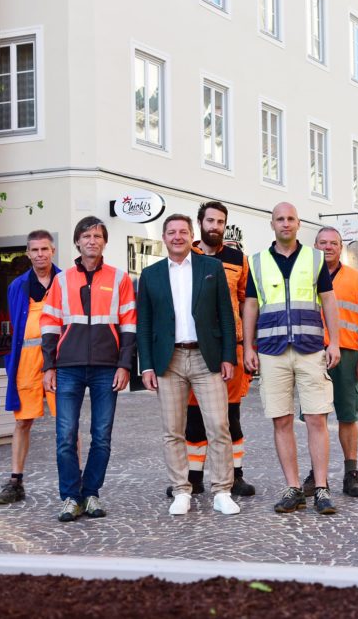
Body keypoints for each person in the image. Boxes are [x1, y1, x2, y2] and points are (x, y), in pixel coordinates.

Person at [137, 214, 240, 516]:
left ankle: (222, 490)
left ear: (191, 235)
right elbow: (144, 323)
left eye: (183, 231)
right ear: (164, 237)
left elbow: (225, 314)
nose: (178, 236)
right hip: (168, 360)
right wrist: (146, 365)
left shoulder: (211, 268)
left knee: (219, 426)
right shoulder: (151, 274)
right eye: (172, 232)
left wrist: (228, 357)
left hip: (206, 358)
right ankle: (181, 490)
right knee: (173, 430)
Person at [242, 202, 341, 515]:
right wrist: (248, 348)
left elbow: (328, 301)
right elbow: (250, 306)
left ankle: (321, 488)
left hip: (311, 349)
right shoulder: (256, 262)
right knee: (281, 420)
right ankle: (293, 488)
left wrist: (334, 342)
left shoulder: (314, 259)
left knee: (316, 418)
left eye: (291, 219)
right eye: (280, 219)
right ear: (272, 224)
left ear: (299, 224)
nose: (285, 224)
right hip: (272, 352)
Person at [41, 216, 136, 522]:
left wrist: (125, 365)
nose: (92, 240)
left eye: (97, 236)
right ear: (77, 242)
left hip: (107, 367)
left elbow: (129, 326)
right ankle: (70, 496)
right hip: (67, 366)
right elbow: (50, 323)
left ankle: (91, 493)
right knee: (65, 435)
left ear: (104, 242)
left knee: (102, 436)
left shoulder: (120, 279)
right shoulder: (61, 280)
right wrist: (49, 366)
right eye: (86, 236)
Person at [166, 201, 255, 499]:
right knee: (193, 419)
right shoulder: (185, 257)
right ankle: (193, 478)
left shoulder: (238, 260)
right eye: (210, 221)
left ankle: (236, 475)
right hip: (194, 347)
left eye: (220, 222)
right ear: (200, 223)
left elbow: (247, 302)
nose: (215, 226)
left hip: (232, 347)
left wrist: (248, 345)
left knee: (230, 417)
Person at [299, 226, 358, 498]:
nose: (328, 247)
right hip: (312, 352)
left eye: (333, 243)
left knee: (348, 415)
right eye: (322, 242)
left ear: (340, 247)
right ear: (315, 246)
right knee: (314, 417)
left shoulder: (355, 278)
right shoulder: (304, 276)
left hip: (347, 354)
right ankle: (315, 475)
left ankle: (351, 473)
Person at [0, 230, 61, 506]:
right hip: (26, 360)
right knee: (22, 421)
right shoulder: (18, 286)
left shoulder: (66, 282)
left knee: (66, 421)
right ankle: (15, 480)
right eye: (34, 250)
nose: (40, 254)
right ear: (28, 253)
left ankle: (76, 480)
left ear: (52, 251)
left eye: (44, 249)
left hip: (59, 360)